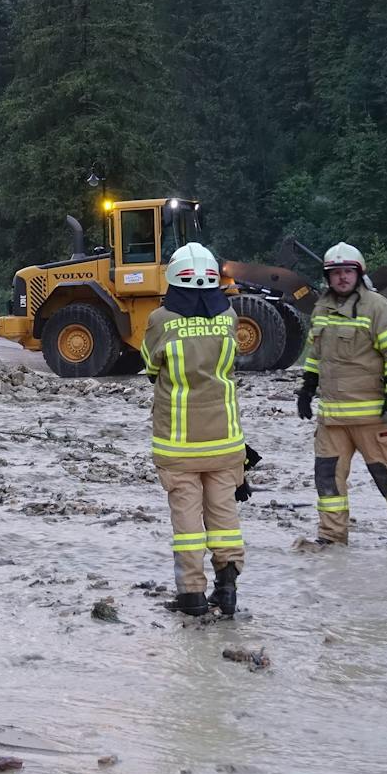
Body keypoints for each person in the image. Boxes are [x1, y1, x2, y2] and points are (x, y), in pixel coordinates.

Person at [297, 242, 387, 548]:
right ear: (327, 277)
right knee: (327, 478)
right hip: (332, 417)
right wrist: (306, 387)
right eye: (335, 273)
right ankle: (332, 537)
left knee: (386, 475)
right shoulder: (321, 308)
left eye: (347, 272)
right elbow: (316, 354)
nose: (342, 278)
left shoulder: (378, 307)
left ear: (359, 273)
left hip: (371, 415)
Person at [141, 243, 248, 616]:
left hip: (178, 445)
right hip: (226, 441)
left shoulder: (160, 320)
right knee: (225, 518)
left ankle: (191, 595)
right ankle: (228, 589)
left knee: (187, 523)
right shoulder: (230, 317)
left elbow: (150, 364)